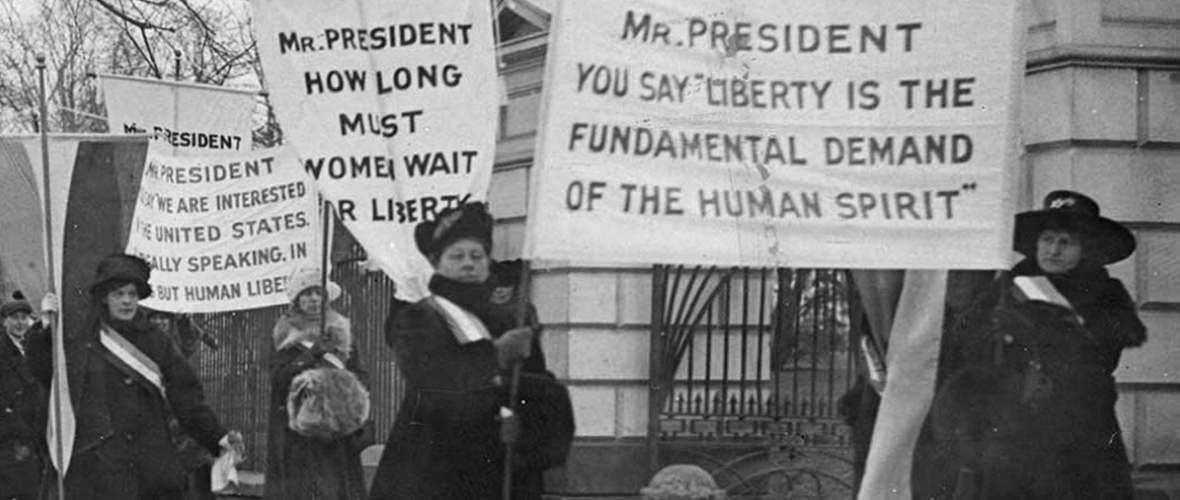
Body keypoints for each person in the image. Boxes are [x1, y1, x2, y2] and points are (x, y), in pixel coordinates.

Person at [916, 190, 1145, 500]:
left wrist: (1040, 327)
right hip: (1016, 422)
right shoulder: (1011, 285)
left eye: (1066, 242)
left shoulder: (1106, 293)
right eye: (1048, 239)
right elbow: (967, 339)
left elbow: (1105, 350)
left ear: (1085, 249)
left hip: (1081, 424)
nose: (1054, 250)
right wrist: (993, 333)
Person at [28, 253, 244, 500]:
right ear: (105, 299)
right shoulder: (84, 339)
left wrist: (217, 436)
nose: (127, 301)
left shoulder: (156, 341)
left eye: (132, 294)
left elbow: (188, 398)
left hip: (150, 463)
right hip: (99, 464)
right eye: (119, 294)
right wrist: (45, 326)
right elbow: (44, 373)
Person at [367, 202, 543, 500]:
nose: (468, 263)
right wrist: (497, 354)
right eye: (457, 256)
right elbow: (432, 378)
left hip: (497, 461)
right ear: (438, 264)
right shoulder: (420, 317)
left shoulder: (512, 319)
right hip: (432, 459)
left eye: (477, 256)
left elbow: (536, 389)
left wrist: (526, 417)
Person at [265, 268, 369, 500]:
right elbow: (278, 381)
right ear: (296, 300)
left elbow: (361, 376)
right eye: (306, 293)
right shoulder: (283, 334)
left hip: (335, 429)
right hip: (297, 431)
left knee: (335, 489)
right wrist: (311, 355)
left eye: (318, 293)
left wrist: (354, 407)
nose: (313, 299)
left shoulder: (341, 332)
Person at [0, 292, 48, 500]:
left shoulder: (33, 346)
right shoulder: (3, 350)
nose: (20, 323)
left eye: (23, 318)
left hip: (38, 430)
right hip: (14, 434)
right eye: (14, 318)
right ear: (5, 322)